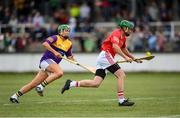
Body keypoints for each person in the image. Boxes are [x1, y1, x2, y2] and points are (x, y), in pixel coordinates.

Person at [61, 20, 142, 106]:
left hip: (104, 58)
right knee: (121, 75)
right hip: (106, 56)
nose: (131, 31)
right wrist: (125, 58)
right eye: (130, 29)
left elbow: (123, 48)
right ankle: (121, 100)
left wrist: (133, 58)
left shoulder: (123, 37)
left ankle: (71, 83)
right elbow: (115, 47)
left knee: (96, 83)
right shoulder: (116, 33)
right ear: (125, 28)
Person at [10, 24, 75, 103]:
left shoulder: (69, 43)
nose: (68, 32)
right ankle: (41, 86)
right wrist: (55, 52)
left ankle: (15, 96)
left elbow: (69, 56)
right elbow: (45, 44)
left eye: (69, 31)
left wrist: (74, 61)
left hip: (52, 65)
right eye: (66, 31)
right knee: (59, 72)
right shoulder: (55, 37)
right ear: (61, 31)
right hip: (46, 61)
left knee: (33, 84)